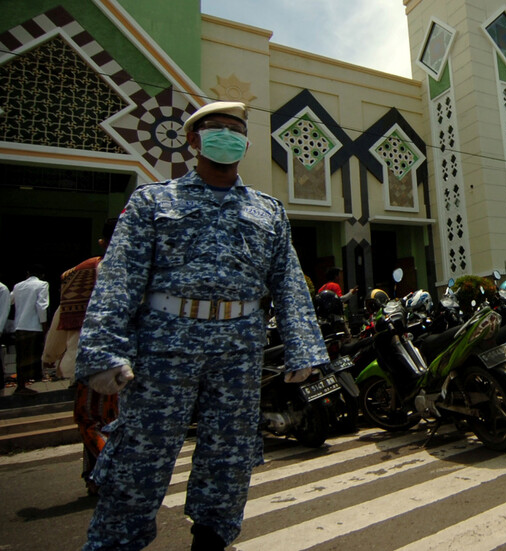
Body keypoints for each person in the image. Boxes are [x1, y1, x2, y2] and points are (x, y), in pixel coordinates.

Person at [74, 101, 329, 550]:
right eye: (216, 129)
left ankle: (211, 540)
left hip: (238, 351)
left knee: (228, 457)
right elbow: (119, 280)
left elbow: (288, 281)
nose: (226, 136)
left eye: (235, 130)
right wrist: (104, 352)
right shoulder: (153, 201)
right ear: (193, 140)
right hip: (162, 348)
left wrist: (303, 347)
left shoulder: (268, 210)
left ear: (246, 144)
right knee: (140, 456)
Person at [42, 219, 119, 496]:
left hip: (90, 362)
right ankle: (96, 478)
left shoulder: (80, 273)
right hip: (128, 363)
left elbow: (62, 318)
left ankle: (108, 473)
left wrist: (50, 356)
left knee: (90, 421)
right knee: (111, 420)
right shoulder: (138, 270)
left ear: (102, 242)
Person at [10, 265, 50, 395]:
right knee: (32, 356)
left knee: (21, 356)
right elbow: (42, 306)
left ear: (27, 273)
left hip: (19, 325)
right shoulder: (42, 284)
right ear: (42, 275)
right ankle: (23, 386)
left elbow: (10, 300)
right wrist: (44, 325)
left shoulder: (18, 286)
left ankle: (21, 384)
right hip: (33, 326)